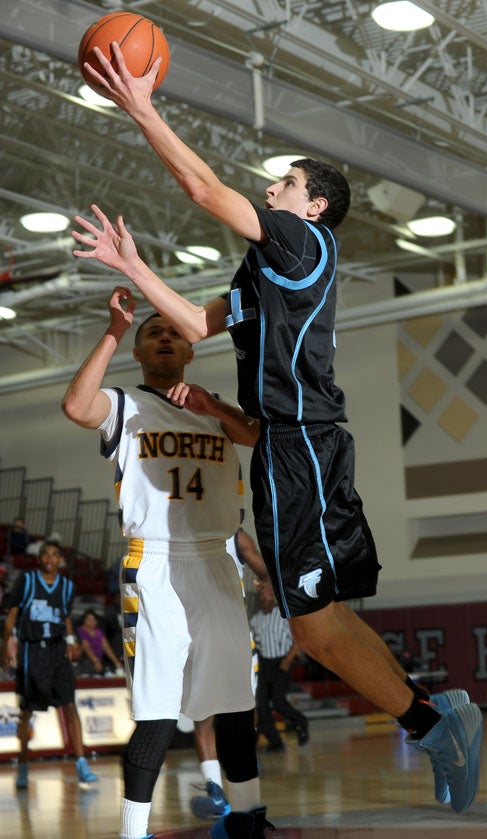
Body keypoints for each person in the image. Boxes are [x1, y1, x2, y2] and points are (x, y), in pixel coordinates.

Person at [74, 43, 483, 817]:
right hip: (280, 447)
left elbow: (202, 186)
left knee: (313, 622)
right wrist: (133, 267)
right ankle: (434, 719)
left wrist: (142, 107)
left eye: (286, 182)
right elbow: (196, 321)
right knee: (317, 623)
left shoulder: (303, 243)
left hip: (306, 442)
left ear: (315, 205)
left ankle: (435, 720)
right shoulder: (260, 271)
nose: (272, 186)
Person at [61, 288, 268, 839]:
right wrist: (112, 329)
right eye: (152, 331)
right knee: (155, 709)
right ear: (139, 350)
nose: (163, 335)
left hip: (218, 562)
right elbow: (77, 407)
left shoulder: (212, 405)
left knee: (233, 703)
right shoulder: (125, 404)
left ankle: (248, 819)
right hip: (154, 562)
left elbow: (260, 438)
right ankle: (134, 833)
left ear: (191, 349)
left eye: (173, 330)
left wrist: (215, 406)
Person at [0, 539, 98, 790]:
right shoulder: (27, 580)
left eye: (55, 555)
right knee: (26, 712)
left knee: (70, 706)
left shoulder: (67, 587)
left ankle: (81, 764)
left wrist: (70, 641)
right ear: (39, 558)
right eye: (46, 554)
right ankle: (22, 765)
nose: (50, 559)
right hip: (32, 650)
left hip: (57, 651)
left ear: (60, 560)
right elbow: (11, 615)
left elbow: (65, 617)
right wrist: (5, 644)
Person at [191, 526, 269, 821]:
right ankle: (215, 789)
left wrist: (268, 592)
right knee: (203, 717)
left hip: (236, 638)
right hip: (199, 639)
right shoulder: (184, 536)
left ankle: (244, 772)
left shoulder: (237, 538)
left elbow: (267, 574)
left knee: (247, 712)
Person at [250, 579, 308, 753]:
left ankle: (300, 721)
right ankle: (275, 741)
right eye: (261, 595)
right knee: (262, 706)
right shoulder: (255, 619)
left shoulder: (284, 616)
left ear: (273, 597)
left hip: (282, 661)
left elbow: (300, 638)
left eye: (267, 594)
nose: (264, 597)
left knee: (278, 702)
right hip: (264, 663)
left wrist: (289, 659)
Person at [76, 608, 123, 676]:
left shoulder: (98, 631)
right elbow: (86, 647)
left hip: (99, 661)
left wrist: (116, 662)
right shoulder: (81, 630)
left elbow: (106, 648)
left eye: (93, 620)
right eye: (89, 620)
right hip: (86, 662)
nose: (91, 622)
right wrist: (95, 661)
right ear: (84, 621)